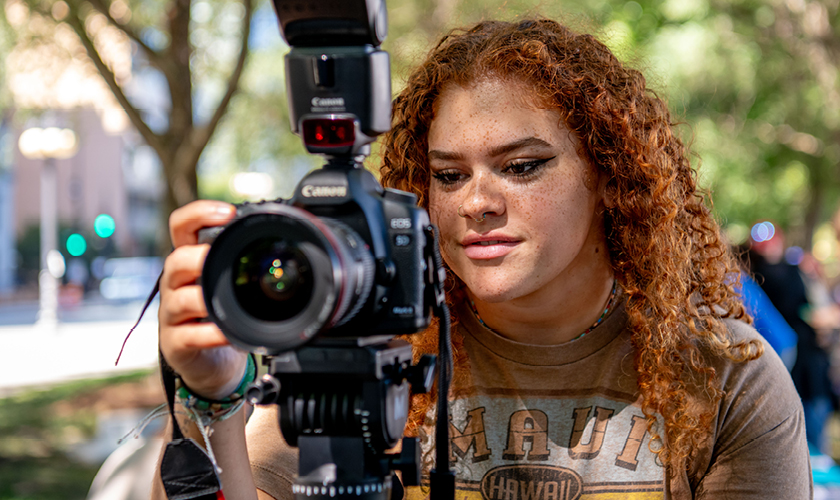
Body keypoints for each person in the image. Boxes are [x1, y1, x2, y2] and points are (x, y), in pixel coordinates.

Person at [152, 18, 812, 500]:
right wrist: (206, 398)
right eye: (447, 176)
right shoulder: (367, 346)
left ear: (611, 175)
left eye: (522, 166)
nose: (477, 202)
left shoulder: (725, 380)